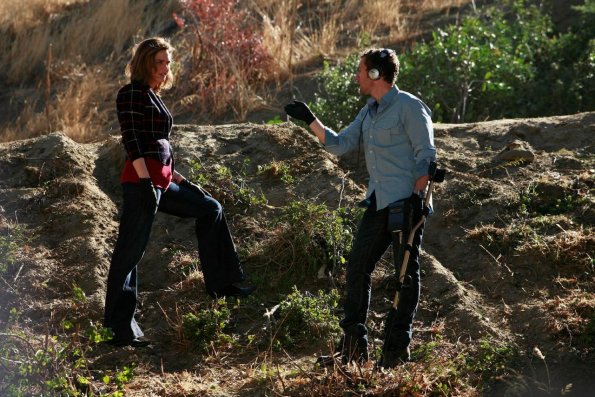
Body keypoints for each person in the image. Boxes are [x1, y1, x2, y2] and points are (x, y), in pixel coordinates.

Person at [284, 48, 436, 367]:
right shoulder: (369, 111)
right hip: (379, 202)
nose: (356, 76)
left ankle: (395, 351)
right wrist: (310, 119)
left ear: (376, 75)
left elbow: (426, 154)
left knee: (404, 275)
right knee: (356, 268)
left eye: (360, 70)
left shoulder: (409, 106)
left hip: (407, 203)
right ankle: (353, 349)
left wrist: (417, 197)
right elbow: (340, 144)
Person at [104, 37, 255, 347]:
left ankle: (222, 284)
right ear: (145, 62)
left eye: (168, 63)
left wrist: (183, 182)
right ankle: (119, 330)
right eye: (159, 62)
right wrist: (146, 183)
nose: (165, 68)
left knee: (210, 207)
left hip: (161, 181)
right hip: (140, 183)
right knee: (130, 253)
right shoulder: (131, 93)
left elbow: (161, 151)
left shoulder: (152, 95)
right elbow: (133, 143)